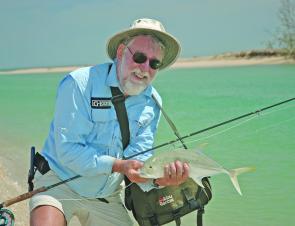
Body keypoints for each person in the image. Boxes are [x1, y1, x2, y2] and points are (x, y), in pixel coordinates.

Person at [29, 18, 190, 226]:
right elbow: (68, 150)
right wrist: (119, 165)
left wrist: (159, 179)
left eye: (154, 63)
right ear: (121, 52)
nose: (144, 68)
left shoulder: (153, 103)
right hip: (58, 181)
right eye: (140, 57)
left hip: (107, 193)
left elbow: (139, 160)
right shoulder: (79, 83)